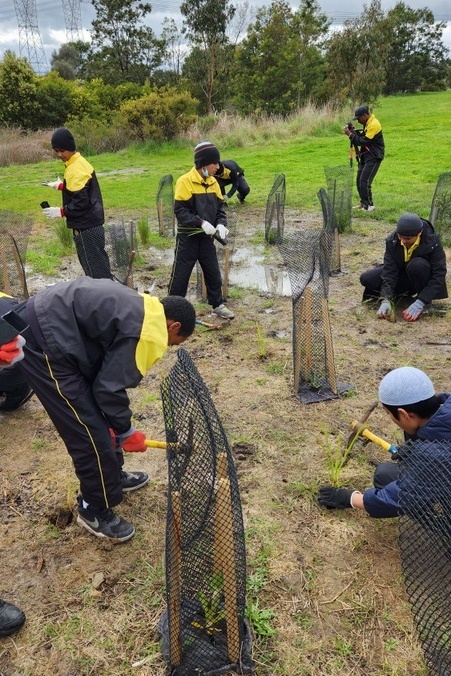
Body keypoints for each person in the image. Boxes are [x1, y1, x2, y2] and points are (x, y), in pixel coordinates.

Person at [4, 277, 196, 543]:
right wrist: (127, 431)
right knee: (88, 432)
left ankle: (112, 478)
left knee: (100, 418)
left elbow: (105, 379)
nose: (170, 346)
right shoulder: (151, 332)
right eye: (175, 341)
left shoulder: (146, 306)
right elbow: (108, 389)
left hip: (59, 332)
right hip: (45, 342)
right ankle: (92, 509)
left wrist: (118, 426)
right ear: (173, 325)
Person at [317, 367, 451, 518]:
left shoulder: (434, 455)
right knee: (384, 475)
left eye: (388, 413)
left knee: (406, 493)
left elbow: (399, 499)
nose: (390, 418)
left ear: (404, 414)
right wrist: (414, 451)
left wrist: (349, 498)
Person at [168, 141, 234, 320]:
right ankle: (172, 310)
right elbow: (180, 211)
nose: (218, 167)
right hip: (188, 238)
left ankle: (218, 305)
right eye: (215, 163)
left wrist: (221, 224)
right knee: (180, 276)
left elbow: (220, 209)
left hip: (207, 239)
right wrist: (201, 223)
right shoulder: (185, 181)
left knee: (213, 272)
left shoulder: (213, 183)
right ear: (204, 164)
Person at [42, 127, 112, 280]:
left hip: (86, 228)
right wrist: (61, 186)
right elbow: (81, 190)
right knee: (99, 268)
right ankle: (108, 298)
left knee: (97, 275)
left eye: (62, 150)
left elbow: (81, 202)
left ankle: (105, 301)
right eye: (56, 151)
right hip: (92, 224)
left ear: (70, 147)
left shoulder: (76, 168)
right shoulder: (77, 162)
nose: (60, 154)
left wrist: (60, 212)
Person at [360, 212, 448, 322]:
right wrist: (385, 299)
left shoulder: (432, 242)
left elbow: (439, 274)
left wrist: (422, 301)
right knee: (367, 278)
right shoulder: (392, 241)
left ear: (419, 233)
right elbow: (389, 271)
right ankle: (399, 298)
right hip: (401, 276)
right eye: (400, 237)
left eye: (407, 238)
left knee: (417, 265)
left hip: (419, 277)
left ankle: (423, 303)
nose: (403, 241)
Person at [343, 104, 384, 212]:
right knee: (359, 180)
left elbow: (365, 141)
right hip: (366, 154)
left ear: (365, 115)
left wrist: (350, 135)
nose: (358, 121)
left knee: (365, 180)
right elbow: (363, 138)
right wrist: (353, 132)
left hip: (374, 155)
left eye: (359, 118)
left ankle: (369, 206)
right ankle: (363, 203)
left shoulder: (374, 124)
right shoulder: (368, 123)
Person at [0, 292, 33, 412]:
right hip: (35, 353)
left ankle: (17, 392)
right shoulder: (4, 296)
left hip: (18, 364)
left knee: (10, 405)